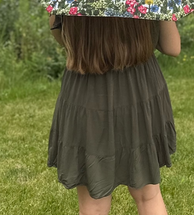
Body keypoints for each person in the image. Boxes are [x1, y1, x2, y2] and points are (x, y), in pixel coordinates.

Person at [47, 13, 180, 215]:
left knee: (94, 204)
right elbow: (172, 48)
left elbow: (61, 38)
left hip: (87, 92)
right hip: (138, 91)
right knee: (148, 196)